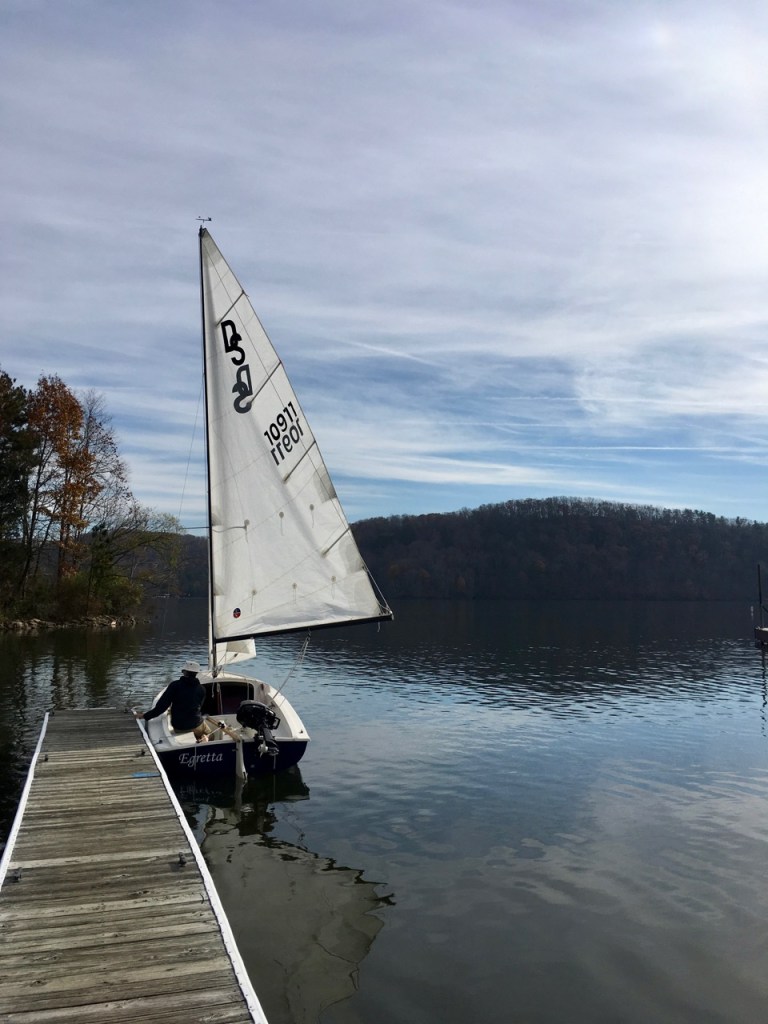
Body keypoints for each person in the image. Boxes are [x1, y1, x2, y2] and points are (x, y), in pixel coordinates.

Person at [135, 660, 211, 742]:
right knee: (210, 733)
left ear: (184, 672)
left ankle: (200, 738)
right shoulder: (202, 689)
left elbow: (161, 707)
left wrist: (145, 716)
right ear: (196, 673)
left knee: (192, 725)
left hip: (180, 727)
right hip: (196, 724)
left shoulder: (174, 685)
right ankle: (204, 737)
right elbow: (199, 707)